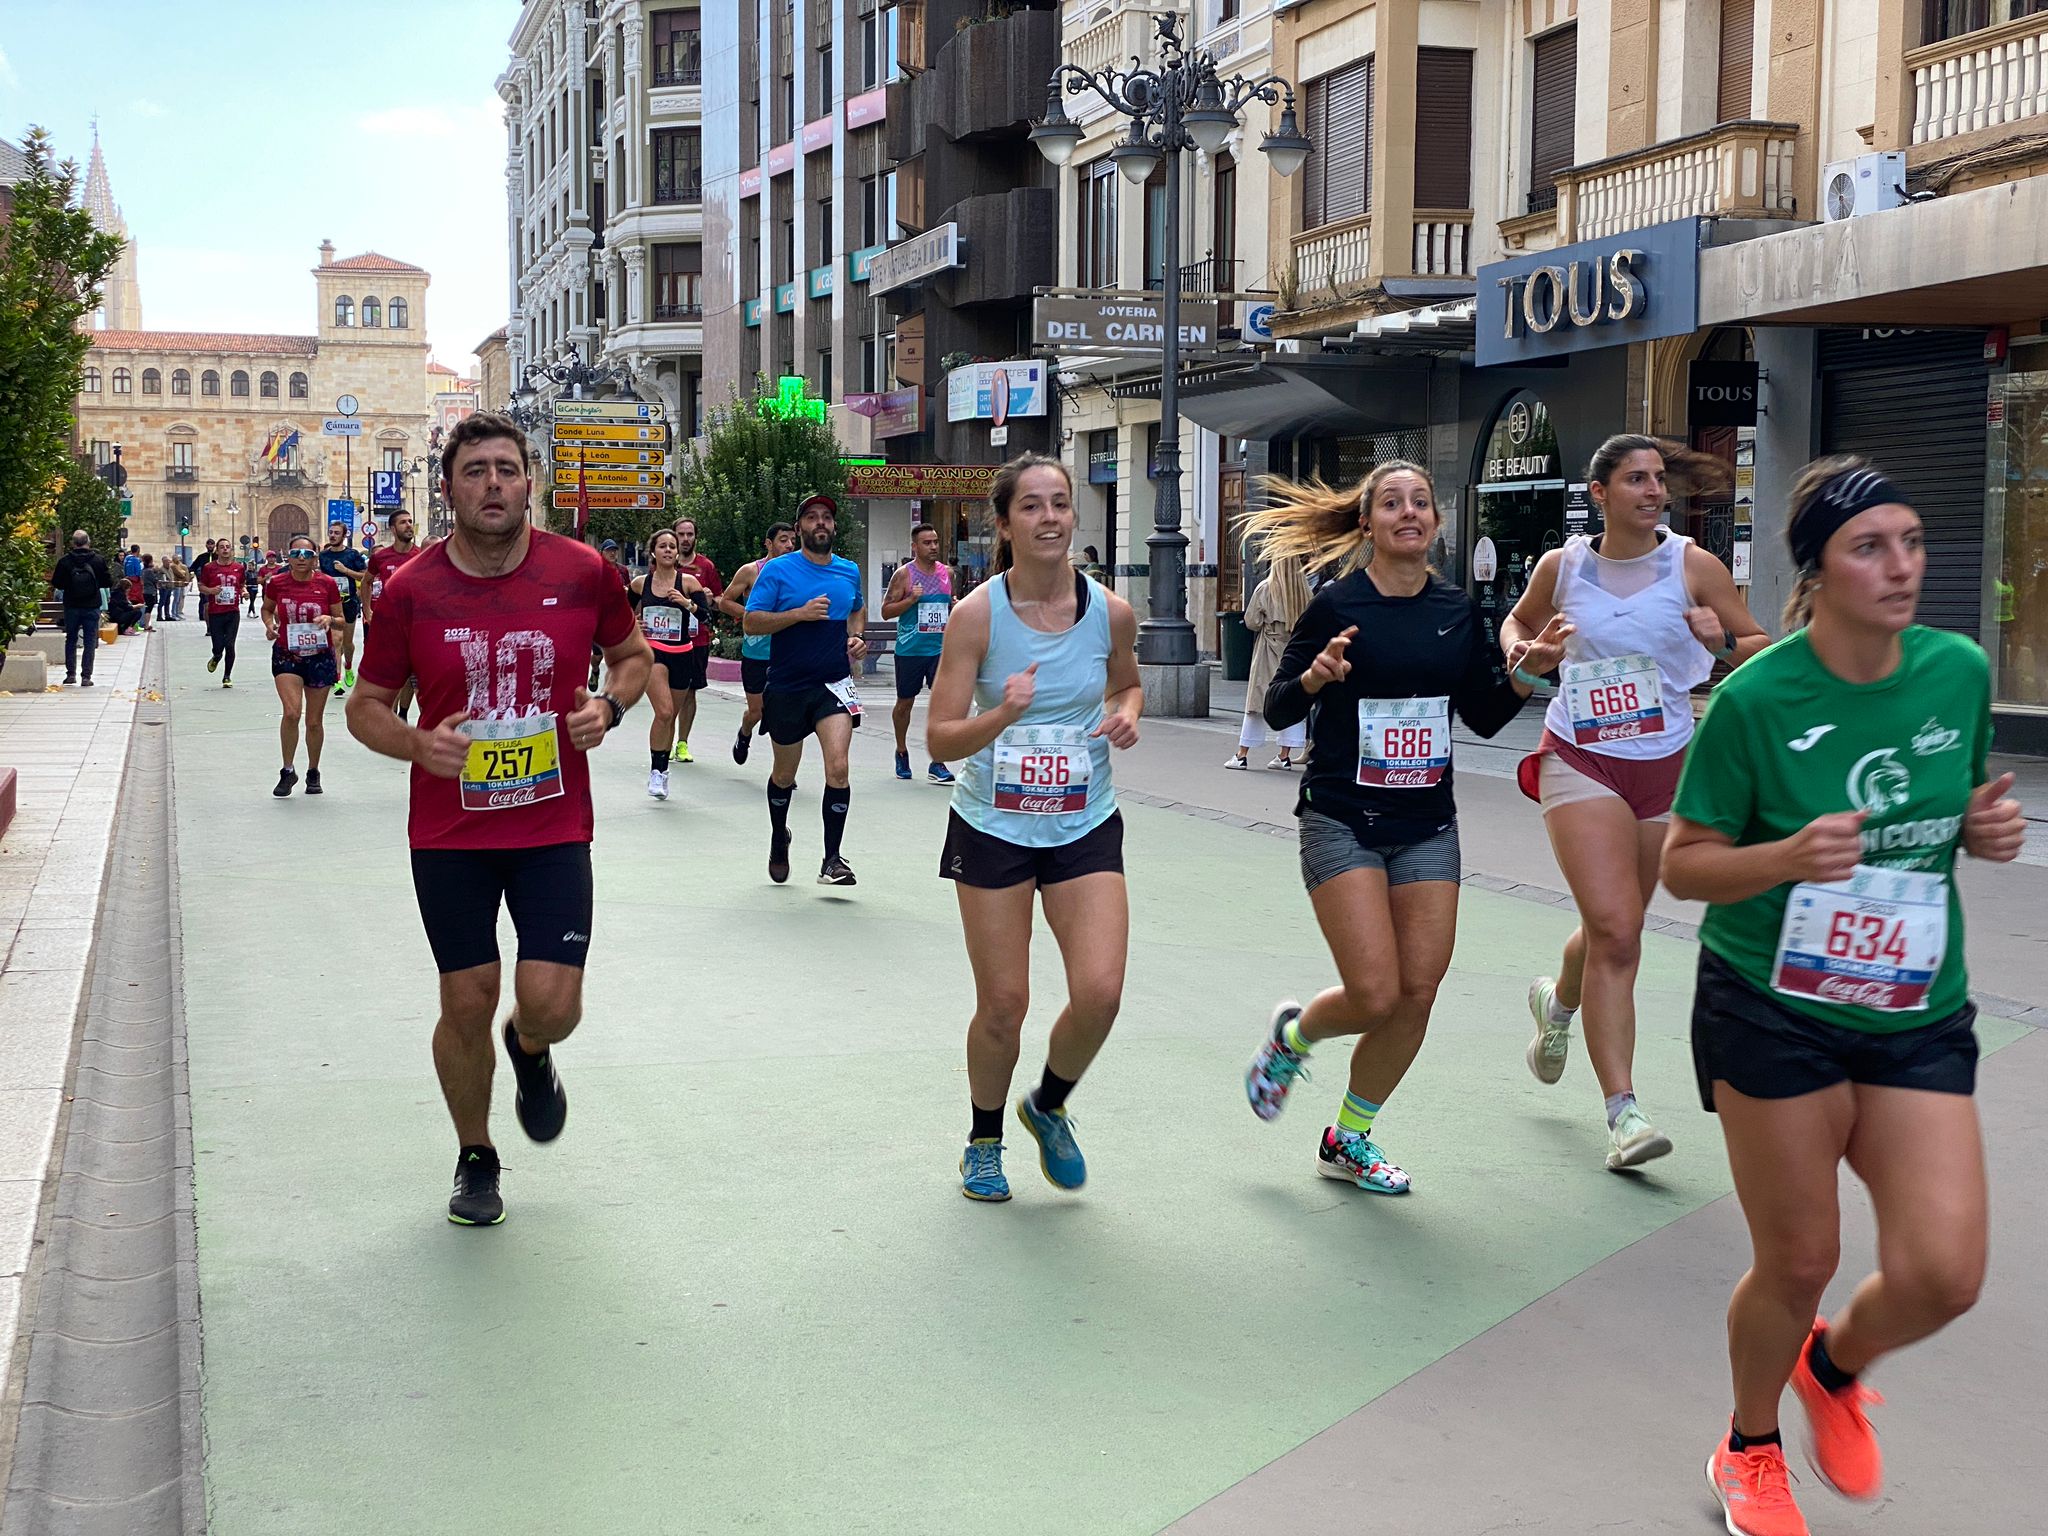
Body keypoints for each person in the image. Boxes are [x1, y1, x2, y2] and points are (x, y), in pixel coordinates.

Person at [1661, 456, 2026, 1536]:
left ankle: (1834, 1364)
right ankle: (1748, 1444)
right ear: (1814, 571)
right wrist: (1780, 859)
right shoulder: (1755, 699)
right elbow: (1682, 865)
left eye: (1910, 542)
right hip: (1769, 1003)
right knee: (1801, 1256)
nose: (1901, 565)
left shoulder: (1955, 671)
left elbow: (1951, 800)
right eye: (1870, 546)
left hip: (1912, 1006)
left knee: (1943, 1274)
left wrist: (1979, 828)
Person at [345, 412, 652, 1227]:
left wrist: (609, 710)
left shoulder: (584, 571)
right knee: (467, 997)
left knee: (553, 1003)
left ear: (529, 484)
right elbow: (364, 706)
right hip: (449, 835)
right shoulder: (412, 589)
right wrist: (418, 744)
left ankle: (530, 1048)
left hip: (553, 825)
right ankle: (477, 1155)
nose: (492, 484)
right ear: (448, 489)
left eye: (506, 469)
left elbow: (633, 659)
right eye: (474, 470)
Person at [1238, 461, 1572, 1194]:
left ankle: (1348, 1138)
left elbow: (1482, 715)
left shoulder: (1459, 609)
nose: (1408, 513)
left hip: (1427, 825)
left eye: (1420, 502)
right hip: (1342, 818)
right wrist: (1319, 677)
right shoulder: (1335, 605)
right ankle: (1292, 1038)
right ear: (1368, 525)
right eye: (1391, 503)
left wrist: (1530, 673)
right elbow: (1280, 710)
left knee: (1418, 991)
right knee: (1375, 992)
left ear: (1437, 523)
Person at [1500, 435, 1770, 1170]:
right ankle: (1624, 1115)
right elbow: (1517, 624)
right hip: (1579, 757)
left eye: (1659, 480)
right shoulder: (1565, 566)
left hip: (1666, 761)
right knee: (1619, 929)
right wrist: (1529, 655)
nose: (1654, 491)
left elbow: (1762, 646)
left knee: (1614, 924)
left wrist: (1722, 642)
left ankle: (1557, 1003)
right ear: (1601, 493)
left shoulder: (1692, 565)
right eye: (1636, 480)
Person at [926, 456, 1142, 1202]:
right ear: (1006, 523)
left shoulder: (1110, 612)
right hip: (993, 825)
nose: (1050, 518)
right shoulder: (976, 616)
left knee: (1101, 992)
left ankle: (1047, 1105)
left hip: (1084, 821)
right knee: (1005, 1004)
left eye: (1061, 504)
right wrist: (1003, 714)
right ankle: (984, 1140)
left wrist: (1128, 715)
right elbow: (940, 740)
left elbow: (1128, 680)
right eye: (1033, 507)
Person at [743, 493, 867, 887]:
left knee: (839, 767)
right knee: (784, 774)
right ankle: (780, 837)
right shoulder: (779, 571)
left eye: (826, 517)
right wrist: (798, 614)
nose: (820, 523)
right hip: (786, 686)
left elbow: (857, 609)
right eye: (811, 517)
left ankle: (832, 859)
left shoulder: (848, 571)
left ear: (833, 526)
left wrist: (856, 637)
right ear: (799, 530)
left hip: (833, 685)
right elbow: (751, 622)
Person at [629, 528, 712, 800]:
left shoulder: (688, 583)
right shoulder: (641, 583)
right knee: (663, 712)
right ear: (653, 552)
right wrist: (634, 624)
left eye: (672, 547)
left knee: (671, 716)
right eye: (662, 546)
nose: (668, 550)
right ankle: (656, 770)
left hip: (682, 654)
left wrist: (688, 604)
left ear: (677, 553)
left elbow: (708, 618)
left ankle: (663, 771)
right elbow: (621, 613)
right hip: (653, 654)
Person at [262, 536, 345, 797]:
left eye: (306, 554)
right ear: (288, 556)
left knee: (313, 722)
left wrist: (329, 619)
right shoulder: (277, 582)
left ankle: (313, 771)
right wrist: (269, 625)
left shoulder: (327, 584)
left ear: (315, 558)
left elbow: (342, 620)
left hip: (319, 656)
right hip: (288, 654)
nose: (300, 558)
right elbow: (267, 609)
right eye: (296, 553)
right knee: (291, 713)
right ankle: (287, 770)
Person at [879, 522, 957, 783]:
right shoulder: (904, 575)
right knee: (905, 704)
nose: (933, 546)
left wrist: (955, 607)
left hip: (940, 650)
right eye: (927, 542)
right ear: (915, 547)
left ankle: (938, 761)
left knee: (943, 705)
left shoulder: (947, 573)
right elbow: (886, 611)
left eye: (935, 542)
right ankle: (901, 751)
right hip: (910, 650)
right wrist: (910, 600)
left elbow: (949, 605)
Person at [717, 522, 798, 764]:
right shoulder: (751, 571)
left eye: (792, 540)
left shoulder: (797, 571)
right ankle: (744, 733)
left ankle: (783, 770)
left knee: (784, 714)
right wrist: (751, 616)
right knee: (757, 711)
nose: (789, 545)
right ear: (768, 543)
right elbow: (724, 601)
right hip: (756, 653)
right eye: (783, 540)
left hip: (786, 653)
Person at [1228, 555, 1312, 770]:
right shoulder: (1304, 591)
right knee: (1291, 701)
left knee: (1257, 703)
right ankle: (1284, 756)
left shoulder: (1266, 588)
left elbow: (1252, 621)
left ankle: (1242, 754)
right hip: (1294, 651)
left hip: (1268, 649)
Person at [668, 516, 725, 764]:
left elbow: (721, 601)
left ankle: (682, 743)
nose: (685, 539)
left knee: (690, 691)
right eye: (681, 534)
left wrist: (710, 600)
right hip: (667, 637)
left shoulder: (706, 567)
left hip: (696, 638)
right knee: (668, 693)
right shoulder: (663, 563)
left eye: (690, 534)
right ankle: (664, 740)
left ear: (695, 537)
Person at [365, 509, 426, 721]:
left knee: (412, 675)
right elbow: (366, 582)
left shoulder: (421, 555)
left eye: (410, 521)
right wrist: (367, 611)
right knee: (394, 674)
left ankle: (403, 713)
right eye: (403, 522)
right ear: (393, 529)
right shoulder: (380, 557)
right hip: (389, 626)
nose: (409, 525)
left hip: (416, 626)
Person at [49, 530, 112, 687]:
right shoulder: (98, 560)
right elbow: (107, 582)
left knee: (71, 638)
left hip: (72, 605)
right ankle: (86, 676)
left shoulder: (65, 561)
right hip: (92, 605)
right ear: (88, 542)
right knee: (90, 640)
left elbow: (56, 583)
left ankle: (70, 674)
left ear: (72, 543)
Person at [318, 521, 369, 696]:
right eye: (330, 532)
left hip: (349, 602)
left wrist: (345, 570)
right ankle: (337, 679)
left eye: (336, 533)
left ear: (344, 535)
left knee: (347, 642)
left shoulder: (353, 555)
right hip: (331, 604)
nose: (332, 535)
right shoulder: (323, 556)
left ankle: (348, 665)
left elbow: (365, 576)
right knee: (336, 641)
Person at [197, 540, 246, 687]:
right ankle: (217, 656)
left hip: (233, 612)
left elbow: (242, 584)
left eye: (227, 547)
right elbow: (201, 586)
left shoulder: (239, 567)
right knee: (218, 646)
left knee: (230, 645)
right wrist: (211, 591)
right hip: (215, 612)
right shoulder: (209, 567)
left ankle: (227, 676)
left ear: (231, 550)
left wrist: (244, 592)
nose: (225, 549)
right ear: (217, 551)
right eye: (222, 547)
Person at [139, 555, 161, 632]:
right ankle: (146, 625)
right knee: (149, 609)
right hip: (150, 591)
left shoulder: (143, 570)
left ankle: (146, 624)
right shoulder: (149, 571)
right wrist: (157, 572)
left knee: (146, 607)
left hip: (145, 590)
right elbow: (155, 580)